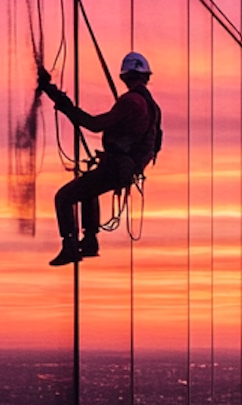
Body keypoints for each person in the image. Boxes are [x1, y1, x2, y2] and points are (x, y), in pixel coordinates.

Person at [36, 51, 161, 266]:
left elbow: (94, 124)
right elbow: (150, 143)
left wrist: (62, 102)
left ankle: (70, 245)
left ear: (126, 77)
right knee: (88, 189)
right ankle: (90, 240)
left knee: (64, 197)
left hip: (118, 166)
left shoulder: (131, 102)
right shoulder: (152, 107)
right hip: (125, 167)